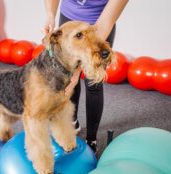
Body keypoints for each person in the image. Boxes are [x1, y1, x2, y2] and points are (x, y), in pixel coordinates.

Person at [43, 0, 129, 153]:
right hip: (68, 19)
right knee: (69, 81)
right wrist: (50, 14)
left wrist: (78, 69)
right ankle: (73, 122)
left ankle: (91, 139)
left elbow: (104, 23)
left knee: (93, 83)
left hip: (98, 24)